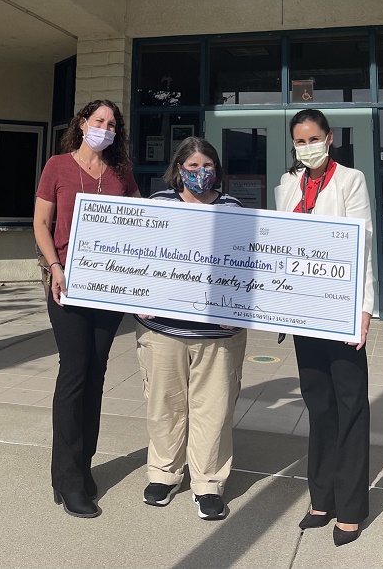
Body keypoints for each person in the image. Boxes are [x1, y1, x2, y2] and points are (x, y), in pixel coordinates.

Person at [34, 99, 140, 518]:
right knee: (75, 373)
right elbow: (41, 224)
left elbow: (140, 221)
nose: (105, 128)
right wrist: (54, 267)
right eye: (99, 121)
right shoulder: (57, 166)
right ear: (82, 124)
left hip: (108, 290)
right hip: (67, 287)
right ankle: (66, 477)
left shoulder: (121, 173)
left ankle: (83, 465)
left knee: (96, 374)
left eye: (112, 124)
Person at [274, 109, 375, 547]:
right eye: (300, 140)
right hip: (302, 310)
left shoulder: (350, 180)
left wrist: (364, 310)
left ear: (329, 138)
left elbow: (363, 243)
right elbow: (279, 241)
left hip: (340, 307)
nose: (307, 146)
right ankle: (322, 497)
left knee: (350, 404)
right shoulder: (286, 184)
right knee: (318, 403)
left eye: (314, 138)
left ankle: (351, 507)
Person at [136, 137, 247, 521]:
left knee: (213, 409)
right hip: (162, 329)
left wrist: (241, 307)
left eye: (207, 166)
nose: (201, 173)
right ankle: (164, 474)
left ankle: (208, 483)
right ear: (178, 168)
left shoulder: (233, 208)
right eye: (193, 166)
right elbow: (135, 255)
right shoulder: (158, 205)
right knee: (163, 406)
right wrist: (138, 297)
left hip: (218, 333)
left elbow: (245, 267)